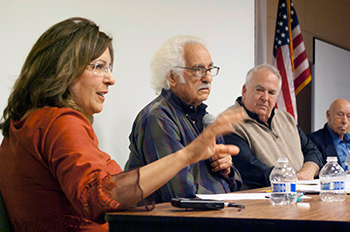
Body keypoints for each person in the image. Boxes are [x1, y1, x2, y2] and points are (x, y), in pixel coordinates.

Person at [0, 17, 247, 232]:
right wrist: (186, 155)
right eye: (98, 67)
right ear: (63, 70)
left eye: (109, 67)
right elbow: (98, 197)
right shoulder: (61, 122)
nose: (111, 79)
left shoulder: (26, 123)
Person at [125, 35, 243, 203]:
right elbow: (179, 193)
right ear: (172, 77)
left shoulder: (205, 118)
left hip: (214, 213)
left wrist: (227, 171)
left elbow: (235, 183)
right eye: (198, 70)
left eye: (209, 69)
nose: (208, 78)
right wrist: (223, 202)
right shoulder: (158, 118)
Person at [223, 64, 323, 189]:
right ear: (244, 91)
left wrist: (309, 170)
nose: (265, 98)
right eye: (259, 90)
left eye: (271, 92)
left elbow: (312, 150)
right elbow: (251, 170)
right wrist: (293, 180)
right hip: (262, 203)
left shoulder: (286, 119)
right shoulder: (229, 124)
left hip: (299, 195)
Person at [307, 99, 350, 169]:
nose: (344, 121)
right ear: (328, 115)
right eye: (340, 115)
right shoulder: (313, 141)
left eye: (349, 116)